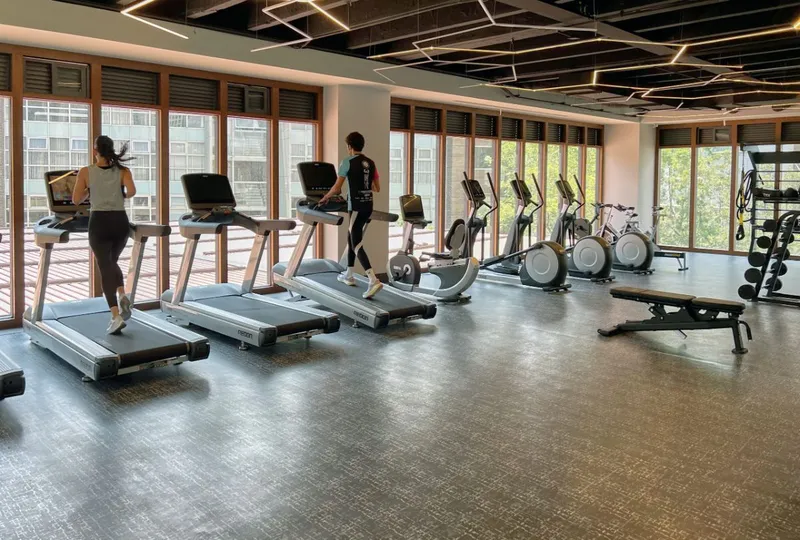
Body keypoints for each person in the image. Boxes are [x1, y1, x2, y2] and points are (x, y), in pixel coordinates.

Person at [72, 136, 137, 334]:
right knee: (112, 262)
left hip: (99, 222)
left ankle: (115, 316)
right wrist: (116, 194)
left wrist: (91, 191)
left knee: (105, 266)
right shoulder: (123, 171)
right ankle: (122, 294)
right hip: (120, 221)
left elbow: (76, 200)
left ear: (95, 150)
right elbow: (132, 192)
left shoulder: (86, 171)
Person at [318, 132, 382, 299]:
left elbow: (337, 188)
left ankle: (373, 279)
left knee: (356, 242)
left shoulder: (347, 162)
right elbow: (377, 188)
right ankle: (349, 273)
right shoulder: (371, 163)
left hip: (356, 207)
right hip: (368, 206)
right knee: (350, 236)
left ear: (349, 146)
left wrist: (325, 197)